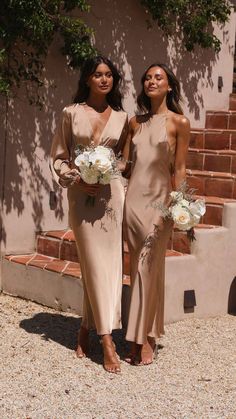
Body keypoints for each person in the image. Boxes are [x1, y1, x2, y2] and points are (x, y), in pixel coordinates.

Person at [50, 56, 128, 373]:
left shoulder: (123, 118)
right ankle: (107, 340)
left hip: (111, 197)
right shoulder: (71, 113)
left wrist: (109, 172)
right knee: (92, 263)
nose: (104, 79)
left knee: (108, 266)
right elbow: (59, 155)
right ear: (87, 79)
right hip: (81, 198)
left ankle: (88, 329)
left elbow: (124, 160)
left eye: (109, 75)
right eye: (98, 74)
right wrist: (78, 177)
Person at [123, 63, 190, 365]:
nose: (151, 81)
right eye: (147, 78)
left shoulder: (180, 122)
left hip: (160, 205)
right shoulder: (134, 123)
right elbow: (124, 165)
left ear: (170, 86)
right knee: (140, 268)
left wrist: (183, 204)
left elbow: (179, 168)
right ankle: (146, 333)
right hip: (133, 203)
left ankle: (142, 339)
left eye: (158, 77)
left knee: (147, 269)